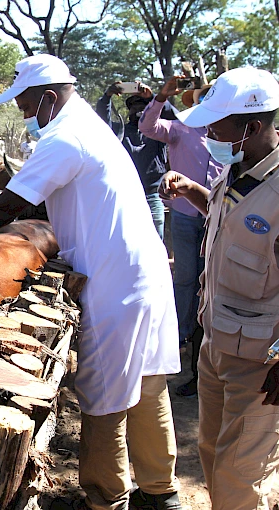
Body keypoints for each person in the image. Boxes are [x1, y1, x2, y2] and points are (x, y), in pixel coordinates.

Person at [0, 54, 182, 510]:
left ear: (48, 97)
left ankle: (107, 499)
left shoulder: (66, 137)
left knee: (104, 400)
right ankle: (162, 493)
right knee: (147, 387)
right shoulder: (89, 126)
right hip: (143, 272)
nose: (24, 114)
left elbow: (9, 207)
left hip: (113, 280)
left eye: (26, 103)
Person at [160, 66, 279, 510]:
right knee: (212, 457)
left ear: (250, 128)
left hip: (262, 364)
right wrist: (193, 191)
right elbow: (233, 227)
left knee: (237, 481)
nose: (208, 133)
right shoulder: (237, 171)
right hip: (216, 346)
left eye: (216, 126)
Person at [140, 76, 224, 397]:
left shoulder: (226, 136)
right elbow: (148, 127)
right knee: (187, 278)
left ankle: (203, 343)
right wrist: (161, 96)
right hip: (188, 218)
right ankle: (180, 337)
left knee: (211, 281)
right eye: (203, 98)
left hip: (218, 220)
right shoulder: (179, 129)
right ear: (194, 101)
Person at [97, 83, 169, 238]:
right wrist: (107, 96)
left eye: (143, 106)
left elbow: (170, 114)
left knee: (156, 239)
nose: (138, 110)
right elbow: (103, 120)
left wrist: (152, 98)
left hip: (153, 194)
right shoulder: (119, 131)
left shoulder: (160, 131)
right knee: (127, 239)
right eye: (134, 107)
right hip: (126, 195)